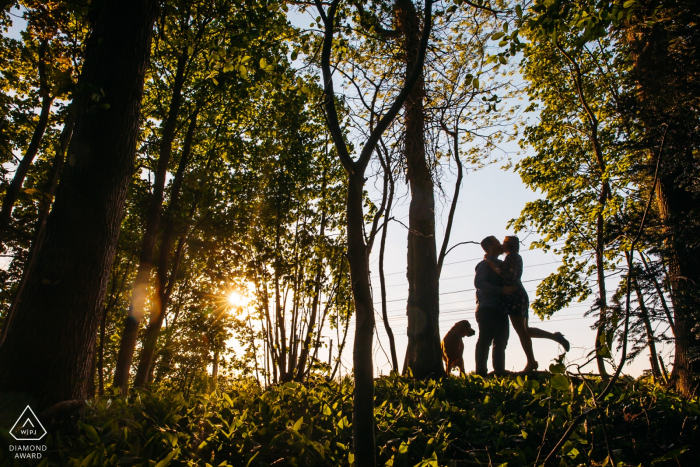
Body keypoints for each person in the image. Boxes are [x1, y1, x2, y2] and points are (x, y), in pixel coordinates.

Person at [483, 235, 570, 372]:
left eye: (503, 243)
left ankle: (531, 362)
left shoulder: (512, 257)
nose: (501, 245)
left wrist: (494, 266)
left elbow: (508, 276)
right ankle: (554, 337)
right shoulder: (514, 257)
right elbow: (507, 269)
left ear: (508, 245)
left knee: (522, 332)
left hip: (514, 296)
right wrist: (493, 261)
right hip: (519, 295)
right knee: (526, 330)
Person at [474, 236, 518, 376]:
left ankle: (499, 373)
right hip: (487, 307)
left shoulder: (500, 264)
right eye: (497, 242)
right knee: (485, 340)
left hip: (501, 308)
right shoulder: (484, 264)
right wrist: (500, 290)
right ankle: (481, 374)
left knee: (501, 341)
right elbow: (479, 283)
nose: (501, 244)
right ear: (491, 246)